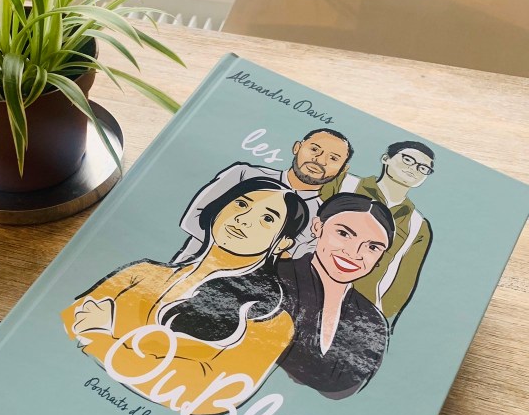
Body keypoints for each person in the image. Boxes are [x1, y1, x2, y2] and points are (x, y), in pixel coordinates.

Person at [62, 177, 310, 415]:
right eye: (242, 204)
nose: (243, 219)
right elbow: (68, 323)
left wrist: (101, 336)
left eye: (267, 218)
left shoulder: (272, 321)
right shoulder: (140, 273)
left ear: (282, 243)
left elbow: (207, 395)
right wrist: (159, 363)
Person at [277, 194, 394, 400]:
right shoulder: (276, 278)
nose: (354, 253)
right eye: (343, 233)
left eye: (372, 247)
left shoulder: (373, 323)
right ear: (317, 227)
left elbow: (348, 390)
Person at [173, 128, 353, 263]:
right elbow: (193, 218)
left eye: (333, 158)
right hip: (191, 264)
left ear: (343, 169)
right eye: (314, 149)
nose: (320, 160)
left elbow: (292, 263)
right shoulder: (244, 174)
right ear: (297, 147)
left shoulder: (323, 219)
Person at [319, 140, 434, 322]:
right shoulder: (343, 183)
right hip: (307, 284)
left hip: (357, 312)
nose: (414, 169)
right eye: (408, 160)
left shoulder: (418, 225)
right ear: (386, 158)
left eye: (423, 168)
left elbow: (404, 281)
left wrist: (377, 315)